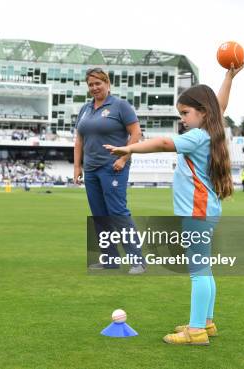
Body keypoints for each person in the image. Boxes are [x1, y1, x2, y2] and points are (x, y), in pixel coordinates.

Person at [105, 64, 244, 345]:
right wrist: (228, 77)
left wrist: (130, 148)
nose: (182, 118)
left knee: (198, 272)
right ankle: (206, 322)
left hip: (197, 211)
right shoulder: (211, 129)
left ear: (202, 113)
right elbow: (220, 105)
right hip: (205, 210)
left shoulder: (195, 136)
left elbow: (164, 143)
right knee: (204, 268)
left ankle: (195, 331)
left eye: (185, 113)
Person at [74, 67, 144, 273]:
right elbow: (79, 139)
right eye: (91, 85)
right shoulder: (85, 109)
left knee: (118, 212)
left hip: (113, 166)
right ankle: (110, 259)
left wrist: (124, 157)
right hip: (91, 169)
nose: (94, 88)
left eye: (98, 83)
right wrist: (78, 166)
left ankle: (137, 260)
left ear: (107, 83)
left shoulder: (120, 105)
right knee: (99, 215)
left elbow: (136, 132)